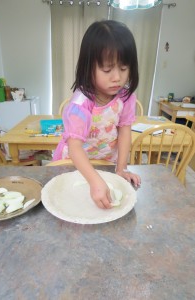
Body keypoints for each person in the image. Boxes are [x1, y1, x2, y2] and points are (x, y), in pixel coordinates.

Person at [53, 20, 141, 209]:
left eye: (124, 68)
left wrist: (121, 168)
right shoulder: (80, 103)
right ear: (88, 67)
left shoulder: (125, 98)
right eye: (107, 69)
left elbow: (125, 131)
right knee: (74, 204)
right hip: (72, 163)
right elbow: (75, 147)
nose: (117, 77)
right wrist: (93, 180)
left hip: (105, 162)